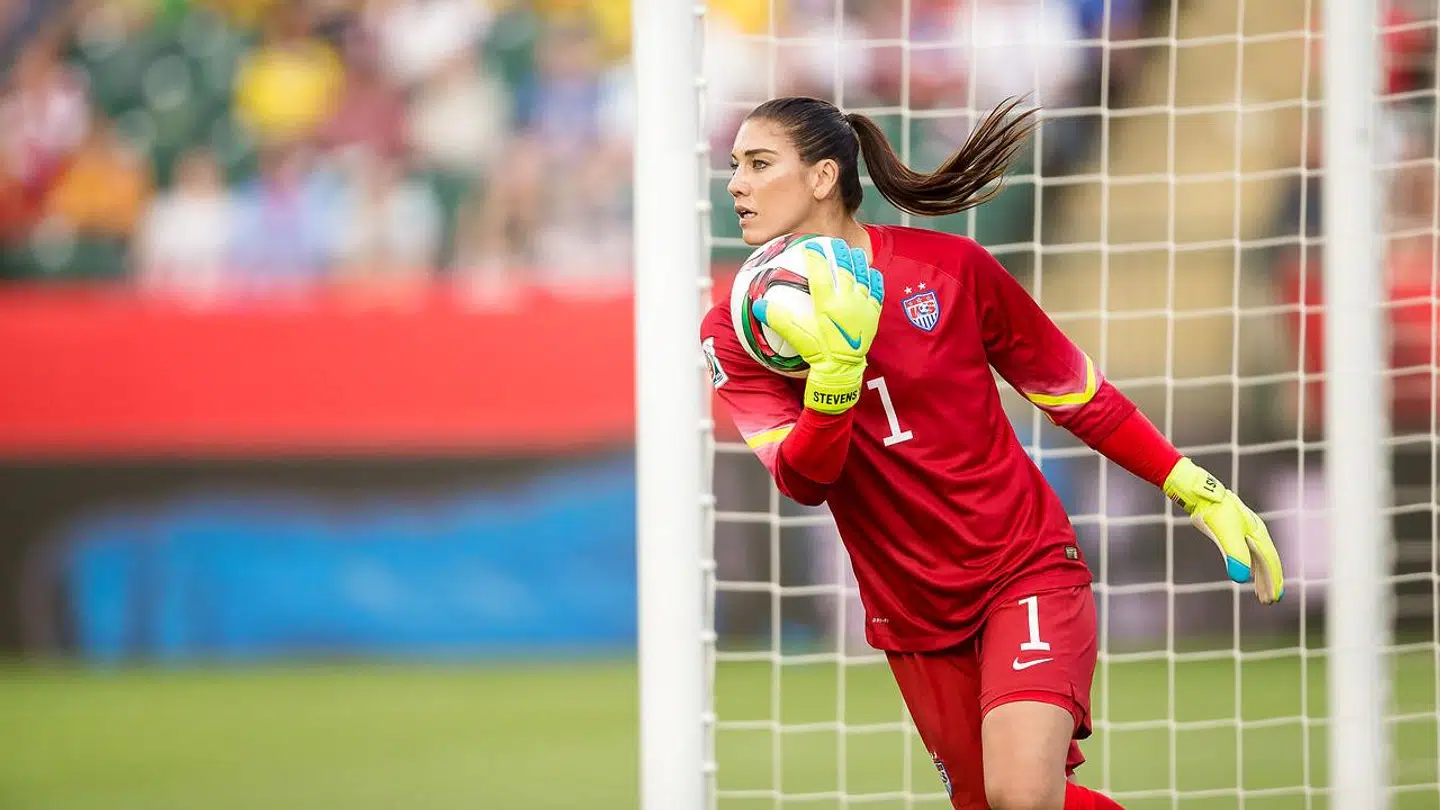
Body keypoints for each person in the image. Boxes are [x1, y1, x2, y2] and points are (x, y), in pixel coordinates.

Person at [699, 95, 1286, 810]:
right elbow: (803, 480)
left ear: (823, 176)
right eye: (735, 166)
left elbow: (1073, 393)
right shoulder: (734, 330)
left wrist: (1194, 487)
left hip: (1021, 567)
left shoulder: (948, 269)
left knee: (1019, 795)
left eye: (760, 164)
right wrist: (833, 382)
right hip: (910, 607)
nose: (737, 183)